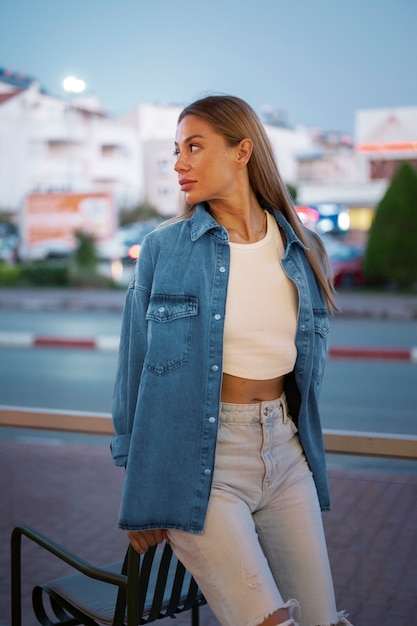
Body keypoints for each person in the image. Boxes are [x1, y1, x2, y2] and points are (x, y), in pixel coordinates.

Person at [111, 95, 353, 626]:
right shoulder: (163, 250)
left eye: (194, 147)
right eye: (176, 150)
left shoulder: (304, 249)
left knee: (321, 621)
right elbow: (134, 370)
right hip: (200, 460)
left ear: (243, 151)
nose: (180, 163)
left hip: (286, 456)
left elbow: (306, 373)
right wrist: (141, 485)